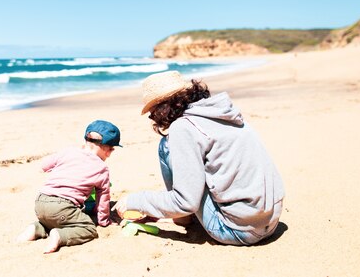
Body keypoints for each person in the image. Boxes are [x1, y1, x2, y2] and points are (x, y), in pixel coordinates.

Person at [113, 71, 284, 246]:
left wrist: (135, 201)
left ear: (163, 107)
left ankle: (182, 219)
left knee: (166, 146)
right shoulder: (225, 113)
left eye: (153, 111)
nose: (152, 117)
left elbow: (186, 202)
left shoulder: (183, 127)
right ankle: (181, 214)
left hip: (238, 230)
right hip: (271, 220)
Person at [17, 120, 121, 253]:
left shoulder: (68, 151)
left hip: (41, 202)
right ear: (105, 148)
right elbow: (103, 198)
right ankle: (60, 236)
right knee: (88, 228)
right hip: (63, 206)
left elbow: (44, 166)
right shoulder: (102, 168)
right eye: (111, 149)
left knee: (57, 219)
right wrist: (104, 221)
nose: (111, 153)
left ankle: (36, 229)